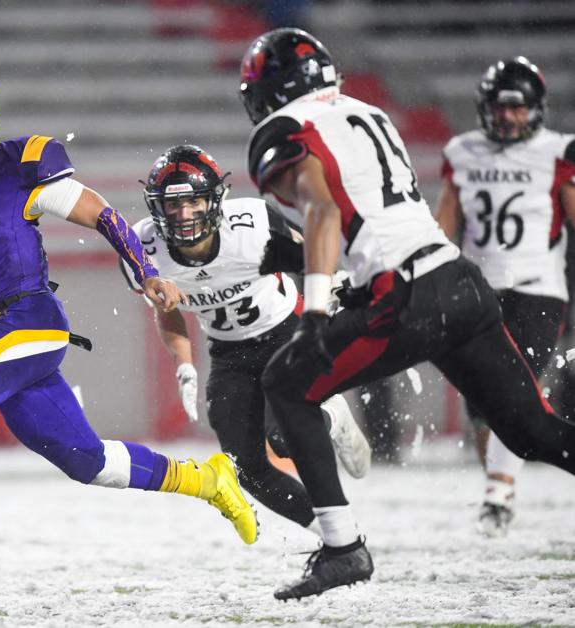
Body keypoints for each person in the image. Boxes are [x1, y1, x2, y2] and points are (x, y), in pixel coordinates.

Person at [0, 59, 258, 588]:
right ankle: (208, 481)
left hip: (27, 317)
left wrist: (147, 272)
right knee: (88, 461)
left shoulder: (21, 163)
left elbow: (104, 215)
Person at [239, 28, 575, 600]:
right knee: (531, 431)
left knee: (286, 382)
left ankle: (343, 549)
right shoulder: (367, 111)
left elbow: (321, 210)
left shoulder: (286, 127)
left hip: (409, 295)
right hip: (462, 280)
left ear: (269, 89)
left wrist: (316, 309)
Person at [118, 144, 371, 535]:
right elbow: (166, 308)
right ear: (156, 207)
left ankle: (331, 416)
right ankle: (335, 536)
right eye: (172, 205)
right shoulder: (144, 251)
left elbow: (315, 254)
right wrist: (184, 363)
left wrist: (332, 297)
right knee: (245, 468)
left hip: (285, 333)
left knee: (284, 438)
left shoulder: (251, 228)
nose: (184, 215)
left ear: (215, 199)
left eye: (194, 201)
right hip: (228, 353)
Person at [435, 57, 575, 538]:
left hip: (539, 286)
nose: (509, 117)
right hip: (480, 285)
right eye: (501, 107)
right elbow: (446, 219)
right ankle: (499, 488)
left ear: (535, 109)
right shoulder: (464, 151)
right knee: (483, 402)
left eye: (517, 109)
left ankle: (496, 494)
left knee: (520, 385)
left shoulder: (558, 152)